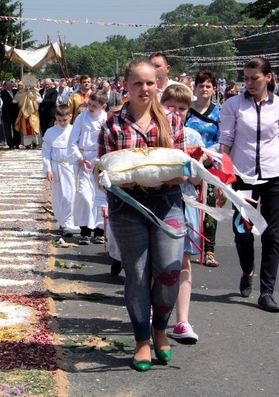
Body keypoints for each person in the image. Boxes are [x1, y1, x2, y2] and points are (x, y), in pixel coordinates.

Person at [99, 58, 186, 371]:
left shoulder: (173, 121)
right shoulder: (112, 124)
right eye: (137, 83)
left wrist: (150, 174)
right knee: (136, 273)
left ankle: (160, 328)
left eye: (150, 82)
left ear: (159, 84)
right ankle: (142, 341)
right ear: (126, 86)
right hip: (127, 206)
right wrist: (127, 179)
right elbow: (104, 172)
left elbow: (182, 171)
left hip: (168, 203)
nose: (145, 89)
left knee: (168, 272)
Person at [220, 57, 279, 313]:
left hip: (274, 176)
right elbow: (226, 142)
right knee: (242, 232)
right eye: (246, 78)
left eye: (255, 78)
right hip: (242, 176)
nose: (250, 83)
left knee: (271, 235)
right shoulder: (233, 105)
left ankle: (267, 292)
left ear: (269, 77)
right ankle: (247, 270)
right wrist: (222, 178)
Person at [162, 85, 205, 343]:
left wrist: (195, 172)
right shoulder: (155, 134)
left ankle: (182, 320)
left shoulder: (194, 137)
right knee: (160, 261)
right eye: (171, 107)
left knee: (184, 261)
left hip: (186, 202)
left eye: (182, 108)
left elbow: (199, 180)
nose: (176, 112)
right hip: (160, 201)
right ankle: (157, 311)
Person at [186, 70, 221, 267]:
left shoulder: (218, 112)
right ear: (195, 88)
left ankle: (209, 249)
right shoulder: (187, 111)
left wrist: (207, 153)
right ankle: (186, 243)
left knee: (209, 206)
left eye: (208, 86)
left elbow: (222, 138)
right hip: (188, 164)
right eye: (201, 86)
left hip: (209, 163)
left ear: (214, 89)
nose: (204, 89)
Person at [68, 90, 108, 245]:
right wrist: (80, 158)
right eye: (89, 104)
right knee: (84, 195)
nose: (90, 107)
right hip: (85, 158)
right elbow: (72, 141)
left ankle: (99, 231)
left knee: (100, 196)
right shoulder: (81, 118)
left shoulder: (106, 119)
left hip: (100, 160)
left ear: (103, 106)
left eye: (95, 106)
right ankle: (85, 229)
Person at [41, 105, 75, 235]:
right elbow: (46, 153)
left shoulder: (74, 130)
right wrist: (48, 169)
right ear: (56, 118)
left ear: (70, 117)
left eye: (65, 120)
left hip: (70, 166)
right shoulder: (50, 132)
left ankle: (69, 223)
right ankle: (62, 221)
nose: (62, 123)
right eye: (59, 120)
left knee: (69, 196)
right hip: (56, 167)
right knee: (58, 196)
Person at [14, 81, 41, 148]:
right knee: (25, 129)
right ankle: (27, 144)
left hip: (33, 113)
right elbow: (15, 100)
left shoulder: (36, 92)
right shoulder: (21, 92)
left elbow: (39, 101)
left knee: (34, 127)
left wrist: (35, 100)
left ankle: (35, 143)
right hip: (24, 113)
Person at [0, 81, 21, 149]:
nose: (10, 86)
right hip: (7, 114)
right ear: (5, 86)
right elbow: (4, 102)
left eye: (11, 85)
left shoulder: (15, 91)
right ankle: (10, 144)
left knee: (16, 129)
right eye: (9, 85)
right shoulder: (2, 93)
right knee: (8, 130)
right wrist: (12, 101)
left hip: (15, 113)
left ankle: (16, 143)